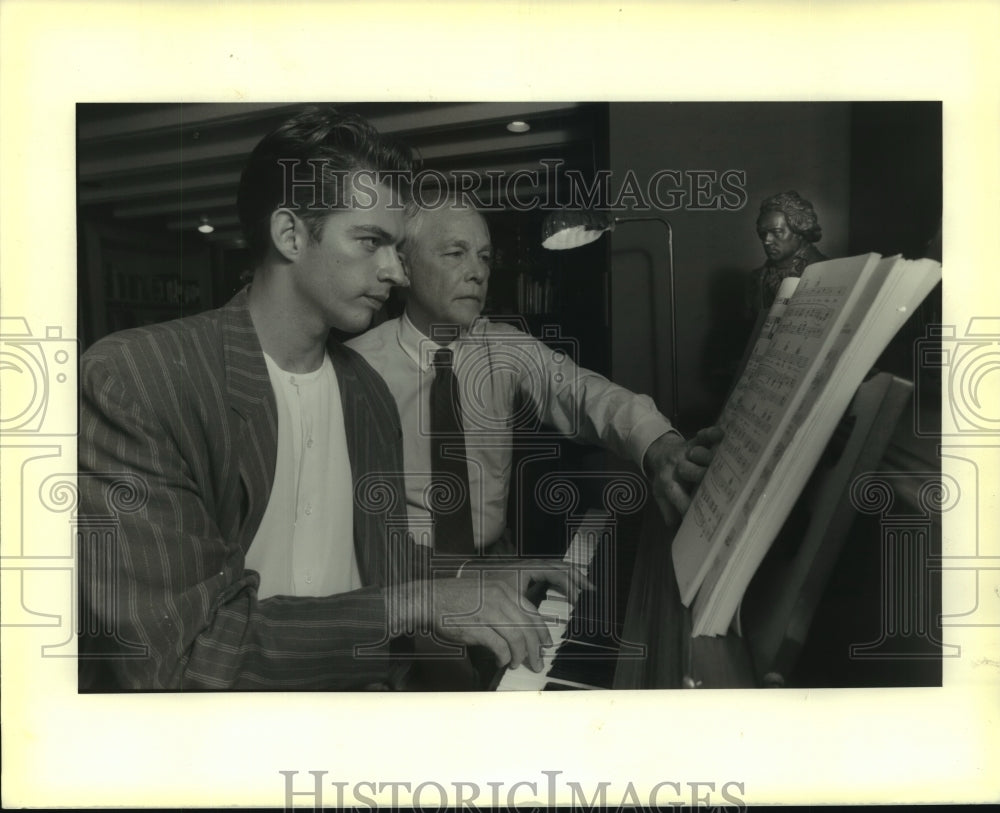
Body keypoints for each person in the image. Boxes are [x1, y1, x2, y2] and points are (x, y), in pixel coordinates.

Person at [77, 107, 581, 691]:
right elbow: (180, 653)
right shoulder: (137, 379)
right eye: (371, 242)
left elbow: (381, 561)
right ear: (290, 234)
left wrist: (489, 575)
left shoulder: (364, 389)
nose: (396, 271)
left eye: (397, 248)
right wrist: (415, 604)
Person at [346, 197, 721, 558]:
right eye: (456, 253)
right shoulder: (356, 367)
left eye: (485, 257)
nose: (478, 272)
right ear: (404, 266)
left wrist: (658, 446)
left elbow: (582, 393)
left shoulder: (505, 348)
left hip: (495, 560)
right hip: (400, 570)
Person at [746, 190, 828, 316]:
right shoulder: (756, 278)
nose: (767, 240)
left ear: (799, 231)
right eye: (763, 234)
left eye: (777, 232)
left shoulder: (829, 271)